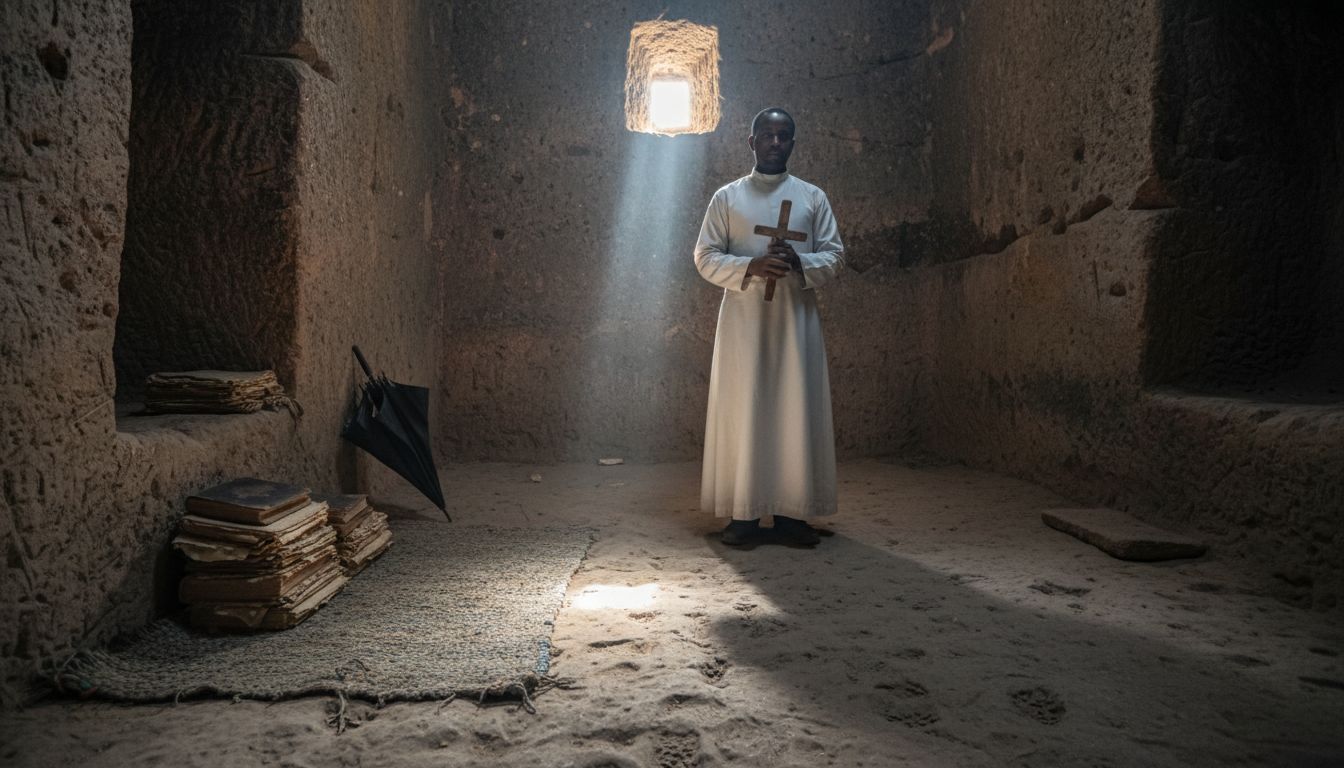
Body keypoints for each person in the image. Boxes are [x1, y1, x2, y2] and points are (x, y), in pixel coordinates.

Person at [693, 107, 845, 547]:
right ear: (751, 142)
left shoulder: (812, 198)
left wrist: (802, 261)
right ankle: (743, 513)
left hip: (795, 323)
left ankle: (790, 515)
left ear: (793, 144)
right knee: (745, 409)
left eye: (784, 136)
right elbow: (704, 256)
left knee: (793, 409)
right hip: (745, 322)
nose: (776, 142)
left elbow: (834, 255)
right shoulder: (727, 198)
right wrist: (752, 265)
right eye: (767, 135)